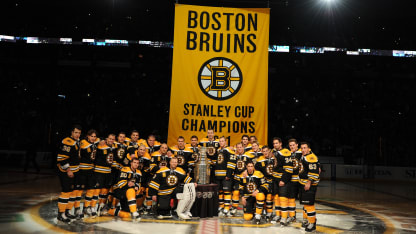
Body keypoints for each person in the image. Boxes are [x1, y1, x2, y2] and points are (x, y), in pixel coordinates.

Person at [56, 125, 81, 223]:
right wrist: (68, 170)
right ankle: (61, 214)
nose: (77, 135)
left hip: (75, 171)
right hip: (66, 171)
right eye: (75, 132)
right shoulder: (67, 141)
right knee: (66, 192)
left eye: (79, 133)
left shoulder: (77, 141)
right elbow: (61, 158)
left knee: (73, 192)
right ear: (71, 132)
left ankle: (67, 211)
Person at [108, 157, 142, 221]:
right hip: (120, 192)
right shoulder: (125, 169)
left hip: (128, 195)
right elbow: (121, 185)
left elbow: (139, 184)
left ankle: (111, 211)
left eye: (137, 163)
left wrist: (134, 185)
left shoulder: (139, 172)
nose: (136, 164)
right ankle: (134, 211)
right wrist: (131, 186)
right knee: (131, 190)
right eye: (134, 162)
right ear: (131, 163)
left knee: (126, 215)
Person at [94, 133, 117, 216]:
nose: (111, 140)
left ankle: (100, 207)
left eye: (113, 139)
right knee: (97, 191)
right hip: (99, 172)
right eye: (110, 139)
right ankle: (92, 208)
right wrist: (99, 141)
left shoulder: (114, 148)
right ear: (107, 139)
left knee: (105, 192)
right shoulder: (100, 146)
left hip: (108, 172)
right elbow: (93, 142)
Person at [298, 142, 320, 232]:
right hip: (303, 183)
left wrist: (309, 182)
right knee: (306, 204)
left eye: (305, 148)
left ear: (309, 149)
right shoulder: (304, 155)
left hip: (309, 185)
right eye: (302, 148)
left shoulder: (311, 157)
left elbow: (314, 172)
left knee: (309, 205)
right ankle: (309, 221)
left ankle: (312, 223)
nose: (303, 150)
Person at [78, 129, 99, 218]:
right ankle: (77, 208)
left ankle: (86, 207)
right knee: (79, 191)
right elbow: (85, 149)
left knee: (91, 189)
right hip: (82, 170)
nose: (93, 138)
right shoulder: (83, 142)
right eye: (91, 136)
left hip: (90, 170)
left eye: (95, 136)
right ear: (87, 136)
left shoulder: (94, 143)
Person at [215, 137, 236, 217]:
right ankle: (221, 206)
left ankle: (227, 207)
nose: (221, 142)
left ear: (226, 142)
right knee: (220, 191)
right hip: (218, 175)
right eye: (220, 141)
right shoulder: (218, 150)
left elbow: (232, 163)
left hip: (225, 176)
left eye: (222, 141)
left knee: (227, 191)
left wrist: (228, 175)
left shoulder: (229, 150)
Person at [254, 146, 277, 222]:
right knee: (260, 196)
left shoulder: (275, 158)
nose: (265, 152)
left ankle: (270, 213)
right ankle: (258, 214)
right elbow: (256, 171)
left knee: (270, 198)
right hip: (265, 182)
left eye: (266, 151)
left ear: (270, 151)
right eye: (263, 151)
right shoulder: (260, 160)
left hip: (275, 181)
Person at [231, 143, 254, 215]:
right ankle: (234, 208)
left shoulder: (248, 155)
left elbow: (252, 165)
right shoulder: (234, 155)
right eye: (238, 147)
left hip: (246, 178)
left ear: (243, 147)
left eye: (240, 147)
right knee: (235, 192)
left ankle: (250, 208)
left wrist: (246, 171)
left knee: (248, 193)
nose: (239, 149)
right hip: (237, 178)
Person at [274, 140, 294, 225]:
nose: (275, 145)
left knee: (283, 199)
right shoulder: (274, 151)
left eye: (277, 143)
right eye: (274, 143)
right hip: (275, 179)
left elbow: (289, 168)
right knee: (277, 198)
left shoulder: (285, 152)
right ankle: (278, 215)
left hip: (282, 179)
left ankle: (284, 217)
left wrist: (283, 180)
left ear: (281, 143)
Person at [288, 138, 302, 222]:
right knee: (291, 198)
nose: (292, 147)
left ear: (297, 145)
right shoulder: (288, 154)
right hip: (292, 180)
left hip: (301, 180)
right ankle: (292, 215)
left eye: (293, 145)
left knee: (304, 199)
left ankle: (307, 218)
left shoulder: (302, 152)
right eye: (290, 145)